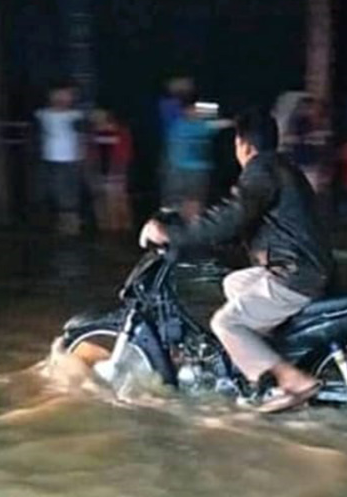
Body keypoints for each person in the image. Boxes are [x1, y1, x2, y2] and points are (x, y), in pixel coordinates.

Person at [139, 107, 334, 414]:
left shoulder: (261, 170)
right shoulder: (282, 167)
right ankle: (260, 353)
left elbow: (232, 217)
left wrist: (172, 233)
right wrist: (197, 234)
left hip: (295, 275)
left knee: (224, 322)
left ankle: (290, 380)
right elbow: (243, 223)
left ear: (243, 145)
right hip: (304, 268)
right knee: (234, 282)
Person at [36, 85, 85, 234]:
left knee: (70, 190)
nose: (62, 99)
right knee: (57, 190)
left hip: (71, 157)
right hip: (52, 157)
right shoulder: (43, 114)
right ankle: (63, 222)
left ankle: (72, 223)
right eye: (59, 96)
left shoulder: (76, 115)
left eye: (66, 96)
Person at [163, 88, 215, 220]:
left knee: (195, 203)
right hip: (178, 170)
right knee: (178, 203)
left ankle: (194, 231)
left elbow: (214, 113)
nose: (194, 111)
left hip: (198, 171)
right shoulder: (177, 124)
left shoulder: (204, 125)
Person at [87, 108, 133, 234]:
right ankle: (106, 230)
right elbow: (92, 153)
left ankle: (120, 230)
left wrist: (118, 168)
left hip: (116, 171)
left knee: (117, 202)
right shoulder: (93, 134)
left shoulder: (121, 132)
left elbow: (125, 153)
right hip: (99, 171)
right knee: (101, 202)